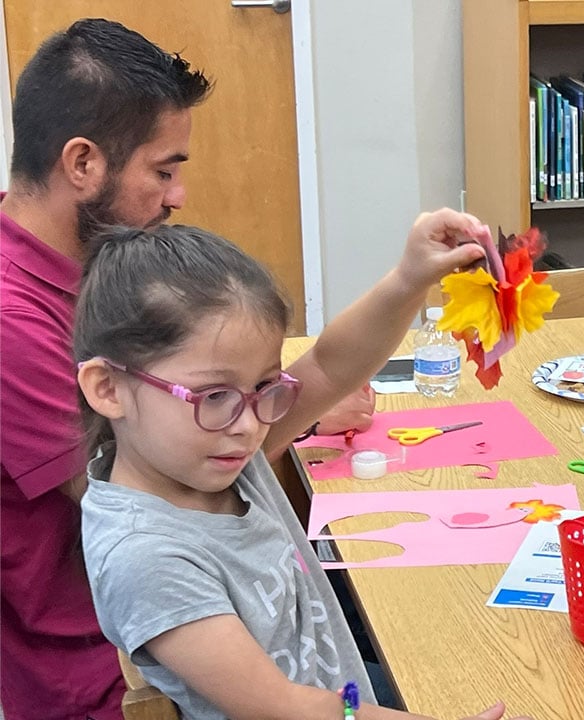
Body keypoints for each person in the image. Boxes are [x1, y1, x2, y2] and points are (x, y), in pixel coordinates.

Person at [0, 19, 371, 719]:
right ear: (82, 164)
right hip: (116, 680)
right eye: (162, 170)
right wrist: (287, 405)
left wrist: (278, 392)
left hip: (223, 634)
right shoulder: (12, 322)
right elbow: (169, 482)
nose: (177, 196)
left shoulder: (88, 270)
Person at [75, 222, 527, 720]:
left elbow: (332, 366)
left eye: (266, 387)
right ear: (108, 389)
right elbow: (286, 709)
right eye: (214, 395)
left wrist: (409, 279)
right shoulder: (146, 558)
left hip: (345, 699)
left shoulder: (206, 453)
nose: (249, 426)